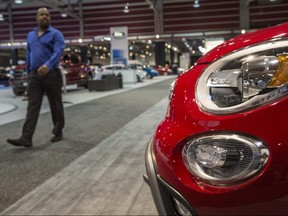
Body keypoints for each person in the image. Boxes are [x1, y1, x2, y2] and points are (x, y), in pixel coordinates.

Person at [7, 7, 65, 147]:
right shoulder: (31, 35)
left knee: (55, 104)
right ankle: (26, 137)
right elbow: (29, 53)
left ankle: (58, 131)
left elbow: (58, 50)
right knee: (32, 106)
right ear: (37, 17)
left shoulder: (56, 34)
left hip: (51, 74)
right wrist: (28, 71)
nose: (45, 17)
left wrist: (48, 65)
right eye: (42, 15)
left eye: (47, 15)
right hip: (34, 75)